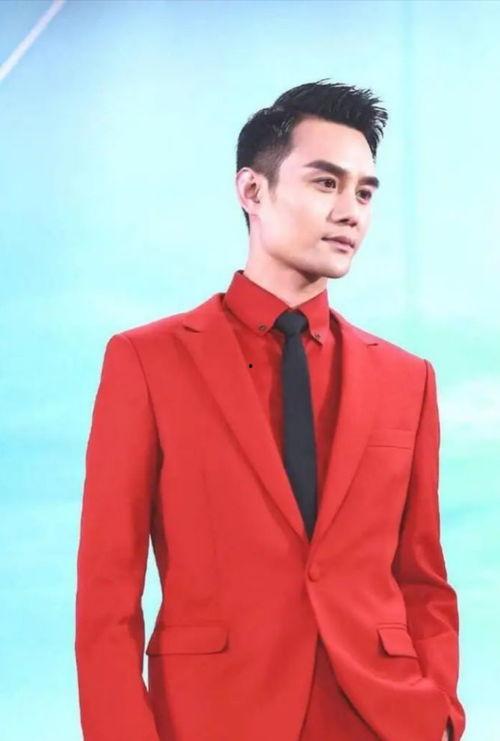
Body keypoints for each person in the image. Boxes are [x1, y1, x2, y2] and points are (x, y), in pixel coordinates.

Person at [75, 79, 466, 740]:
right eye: (326, 183)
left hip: (382, 718)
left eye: (364, 192)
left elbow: (423, 578)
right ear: (252, 190)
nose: (350, 211)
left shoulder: (408, 379)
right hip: (214, 716)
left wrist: (440, 712)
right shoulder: (147, 361)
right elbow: (106, 594)